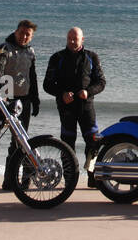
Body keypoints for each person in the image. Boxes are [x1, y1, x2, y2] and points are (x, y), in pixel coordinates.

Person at [43, 27, 106, 175]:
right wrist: (61, 94)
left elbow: (101, 82)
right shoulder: (57, 58)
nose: (72, 41)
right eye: (69, 38)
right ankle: (70, 177)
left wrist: (88, 91)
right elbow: (47, 84)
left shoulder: (92, 57)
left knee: (93, 142)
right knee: (67, 144)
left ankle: (93, 176)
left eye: (75, 39)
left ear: (82, 39)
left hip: (86, 106)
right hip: (66, 107)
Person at [0, 19, 40, 190]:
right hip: (6, 100)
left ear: (31, 37)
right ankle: (9, 180)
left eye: (28, 34)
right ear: (16, 31)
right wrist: (5, 92)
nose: (24, 36)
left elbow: (32, 77)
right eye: (22, 33)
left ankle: (24, 180)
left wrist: (36, 99)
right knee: (5, 141)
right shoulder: (4, 48)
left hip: (24, 100)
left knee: (22, 141)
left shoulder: (31, 52)